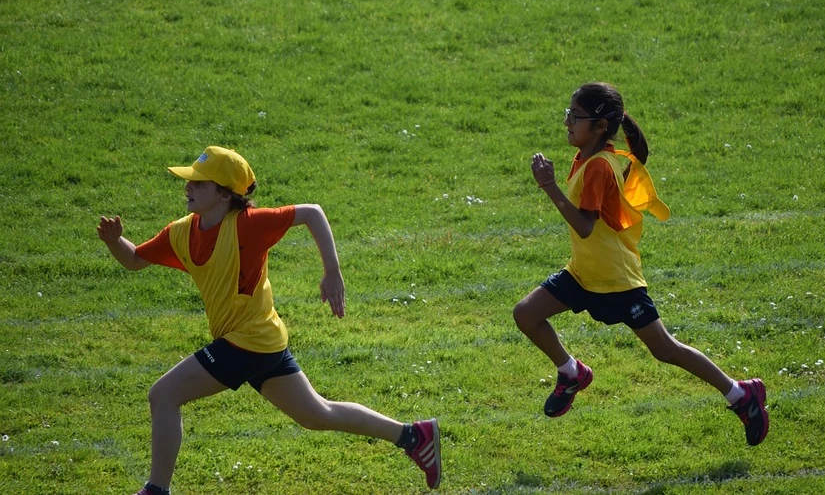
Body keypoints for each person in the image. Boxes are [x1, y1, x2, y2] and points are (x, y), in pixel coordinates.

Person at [97, 146, 441, 495]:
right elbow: (135, 259)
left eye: (199, 183)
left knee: (164, 394)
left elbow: (312, 212)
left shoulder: (249, 225)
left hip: (250, 341)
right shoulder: (181, 232)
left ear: (224, 194)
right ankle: (413, 436)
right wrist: (114, 242)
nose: (188, 187)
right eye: (190, 181)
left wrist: (332, 272)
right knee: (316, 414)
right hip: (261, 341)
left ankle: (156, 490)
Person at [513, 82, 769, 446]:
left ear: (600, 126)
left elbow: (585, 227)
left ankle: (742, 395)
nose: (568, 122)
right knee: (526, 314)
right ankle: (572, 373)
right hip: (583, 274)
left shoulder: (600, 166)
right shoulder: (585, 157)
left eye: (576, 116)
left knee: (665, 349)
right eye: (568, 113)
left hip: (617, 280)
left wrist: (548, 186)